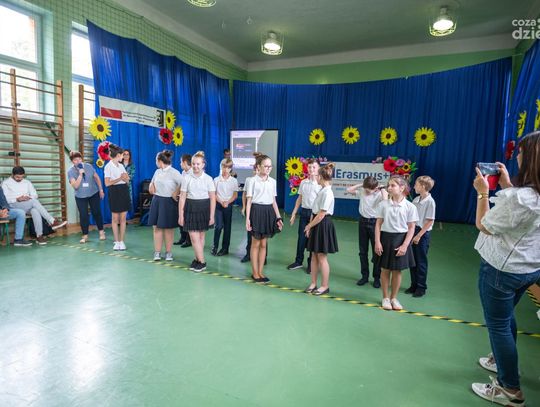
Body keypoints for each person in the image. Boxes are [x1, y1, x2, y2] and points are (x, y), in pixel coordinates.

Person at [471, 131, 540, 407]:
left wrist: (483, 193)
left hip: (502, 269)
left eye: (521, 152)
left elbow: (484, 225)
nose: (518, 156)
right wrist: (508, 185)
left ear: (531, 158)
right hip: (529, 268)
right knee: (506, 316)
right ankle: (502, 361)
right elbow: (523, 217)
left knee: (498, 326)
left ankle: (510, 389)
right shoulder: (528, 195)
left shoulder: (520, 198)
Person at [374, 175, 418, 311]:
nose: (389, 188)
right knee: (385, 269)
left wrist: (405, 245)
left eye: (393, 185)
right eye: (389, 185)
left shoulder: (410, 207)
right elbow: (378, 224)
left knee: (397, 270)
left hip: (401, 239)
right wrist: (377, 241)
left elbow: (411, 228)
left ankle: (394, 298)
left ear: (402, 188)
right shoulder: (383, 205)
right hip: (385, 239)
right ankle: (385, 298)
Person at [2, 166, 67, 245]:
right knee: (33, 202)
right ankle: (52, 221)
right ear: (12, 174)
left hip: (27, 204)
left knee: (35, 210)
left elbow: (35, 195)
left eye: (22, 177)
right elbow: (4, 200)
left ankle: (39, 236)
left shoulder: (27, 182)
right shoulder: (5, 183)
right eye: (17, 177)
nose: (19, 179)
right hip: (13, 205)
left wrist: (28, 198)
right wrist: (17, 199)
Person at [245, 154, 282, 282]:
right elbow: (249, 201)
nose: (268, 168)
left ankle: (261, 272)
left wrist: (278, 217)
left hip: (268, 213)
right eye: (265, 166)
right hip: (256, 211)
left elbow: (273, 201)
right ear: (259, 167)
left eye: (270, 166)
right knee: (255, 243)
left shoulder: (273, 182)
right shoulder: (252, 181)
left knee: (263, 244)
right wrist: (247, 219)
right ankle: (255, 273)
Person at [346, 176, 388, 288]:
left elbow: (386, 200)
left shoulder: (379, 194)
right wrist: (362, 185)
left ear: (375, 188)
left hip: (375, 223)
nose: (368, 191)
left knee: (376, 252)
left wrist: (381, 189)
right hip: (363, 222)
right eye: (367, 188)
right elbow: (349, 190)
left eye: (371, 189)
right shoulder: (362, 191)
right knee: (362, 251)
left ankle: (377, 277)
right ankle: (364, 276)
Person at [304, 162, 338, 295]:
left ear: (321, 177)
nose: (315, 177)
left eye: (317, 175)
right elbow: (314, 211)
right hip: (316, 223)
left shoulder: (328, 192)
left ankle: (325, 286)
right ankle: (313, 283)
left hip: (323, 224)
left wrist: (309, 225)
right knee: (313, 255)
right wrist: (310, 226)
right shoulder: (321, 190)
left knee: (322, 257)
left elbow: (321, 214)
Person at [178, 151, 216, 272]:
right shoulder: (186, 178)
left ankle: (200, 261)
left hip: (204, 208)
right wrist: (181, 215)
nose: (195, 166)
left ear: (203, 164)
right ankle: (201, 260)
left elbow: (213, 198)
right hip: (190, 208)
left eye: (198, 164)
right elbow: (182, 197)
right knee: (194, 238)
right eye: (193, 164)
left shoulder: (208, 179)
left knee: (200, 237)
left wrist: (212, 216)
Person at [148, 150, 183, 261]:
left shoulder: (174, 172)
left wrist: (176, 192)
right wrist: (151, 185)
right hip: (157, 201)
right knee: (156, 228)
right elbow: (152, 183)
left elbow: (184, 184)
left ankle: (168, 253)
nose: (155, 162)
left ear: (159, 161)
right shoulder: (157, 172)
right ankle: (157, 252)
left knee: (168, 229)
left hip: (169, 202)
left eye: (156, 160)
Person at [288, 158, 321, 273]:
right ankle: (298, 261)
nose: (311, 169)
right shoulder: (303, 182)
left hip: (315, 214)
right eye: (310, 167)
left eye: (314, 167)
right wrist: (294, 213)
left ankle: (311, 263)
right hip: (304, 213)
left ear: (319, 168)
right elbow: (299, 198)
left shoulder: (321, 184)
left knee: (312, 239)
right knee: (301, 238)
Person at [406, 176, 436, 297]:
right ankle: (413, 285)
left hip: (422, 233)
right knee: (412, 260)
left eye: (416, 185)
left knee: (421, 261)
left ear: (423, 186)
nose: (414, 186)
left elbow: (429, 221)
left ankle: (421, 287)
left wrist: (418, 236)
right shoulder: (416, 199)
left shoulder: (430, 202)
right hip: (414, 230)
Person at [67, 151, 106, 243]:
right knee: (83, 215)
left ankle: (101, 232)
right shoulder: (70, 171)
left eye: (79, 159)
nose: (78, 161)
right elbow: (75, 186)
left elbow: (97, 178)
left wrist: (101, 189)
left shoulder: (88, 166)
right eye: (75, 160)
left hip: (93, 193)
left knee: (96, 212)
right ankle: (85, 235)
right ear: (72, 161)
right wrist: (80, 174)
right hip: (80, 196)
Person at [104, 144, 131, 251]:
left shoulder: (121, 166)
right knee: (115, 218)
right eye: (122, 155)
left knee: (123, 218)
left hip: (124, 191)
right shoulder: (108, 166)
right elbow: (107, 183)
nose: (123, 157)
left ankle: (122, 241)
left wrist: (125, 179)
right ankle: (116, 241)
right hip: (114, 191)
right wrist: (120, 178)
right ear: (118, 155)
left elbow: (127, 180)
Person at [212, 158, 238, 256]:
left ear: (231, 169)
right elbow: (214, 194)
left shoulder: (234, 181)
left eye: (228, 168)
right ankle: (215, 246)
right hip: (219, 205)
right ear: (221, 167)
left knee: (227, 227)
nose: (226, 169)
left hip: (228, 205)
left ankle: (225, 248)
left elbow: (235, 195)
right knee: (218, 226)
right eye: (224, 167)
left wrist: (228, 202)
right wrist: (221, 201)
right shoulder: (216, 180)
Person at [174, 154, 192, 248]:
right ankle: (183, 238)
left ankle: (189, 240)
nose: (180, 164)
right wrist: (177, 194)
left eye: (181, 162)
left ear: (185, 162)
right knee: (181, 219)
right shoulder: (183, 172)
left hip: (190, 200)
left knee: (188, 220)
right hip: (182, 198)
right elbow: (181, 185)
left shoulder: (193, 173)